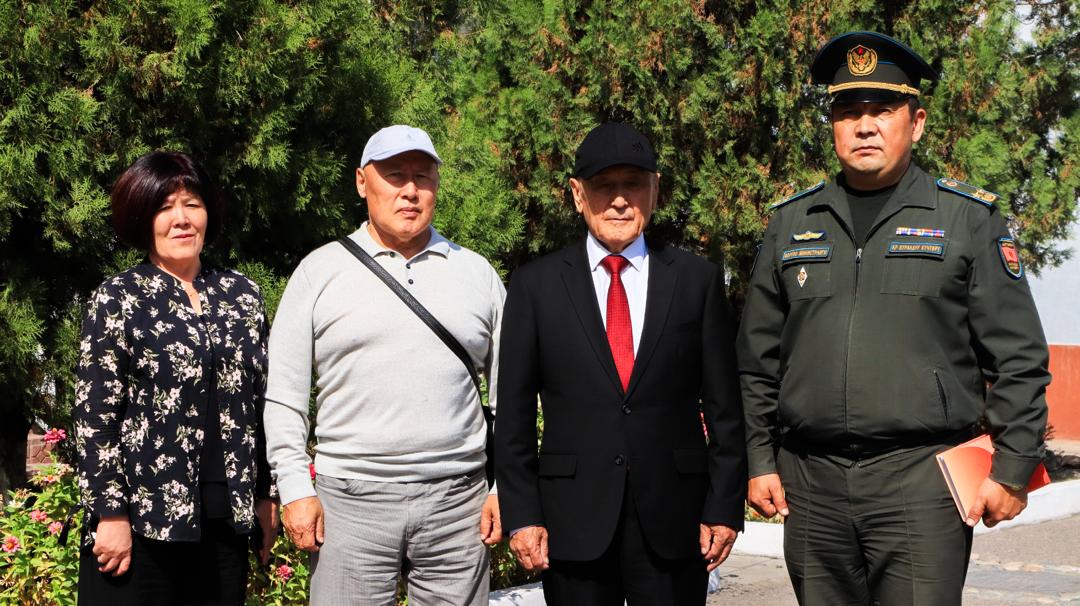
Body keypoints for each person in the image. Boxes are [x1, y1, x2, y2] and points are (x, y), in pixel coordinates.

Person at [738, 31, 1051, 605]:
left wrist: (1013, 468)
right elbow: (758, 360)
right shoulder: (792, 223)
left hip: (921, 483)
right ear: (833, 125)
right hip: (810, 484)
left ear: (917, 122)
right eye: (848, 112)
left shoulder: (966, 220)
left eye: (882, 110)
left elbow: (1019, 357)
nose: (864, 126)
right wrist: (759, 459)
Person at [495, 122, 747, 605]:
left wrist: (723, 506)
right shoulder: (535, 286)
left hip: (675, 520)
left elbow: (725, 408)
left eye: (633, 184)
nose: (618, 200)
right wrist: (523, 515)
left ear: (655, 189)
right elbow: (514, 416)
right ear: (577, 194)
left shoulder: (696, 281)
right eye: (603, 185)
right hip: (573, 522)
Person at [263, 125, 505, 605]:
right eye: (395, 175)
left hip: (458, 507)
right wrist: (294, 487)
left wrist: (504, 487)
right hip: (349, 506)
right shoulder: (319, 271)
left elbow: (509, 396)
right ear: (361, 182)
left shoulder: (476, 273)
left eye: (422, 176)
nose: (410, 190)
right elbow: (284, 395)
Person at [74, 151, 277, 605]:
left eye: (192, 204)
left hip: (224, 524)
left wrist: (267, 494)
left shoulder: (241, 295)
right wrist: (110, 513)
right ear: (143, 218)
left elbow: (263, 404)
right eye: (165, 207)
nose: (181, 219)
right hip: (139, 522)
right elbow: (94, 416)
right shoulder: (118, 298)